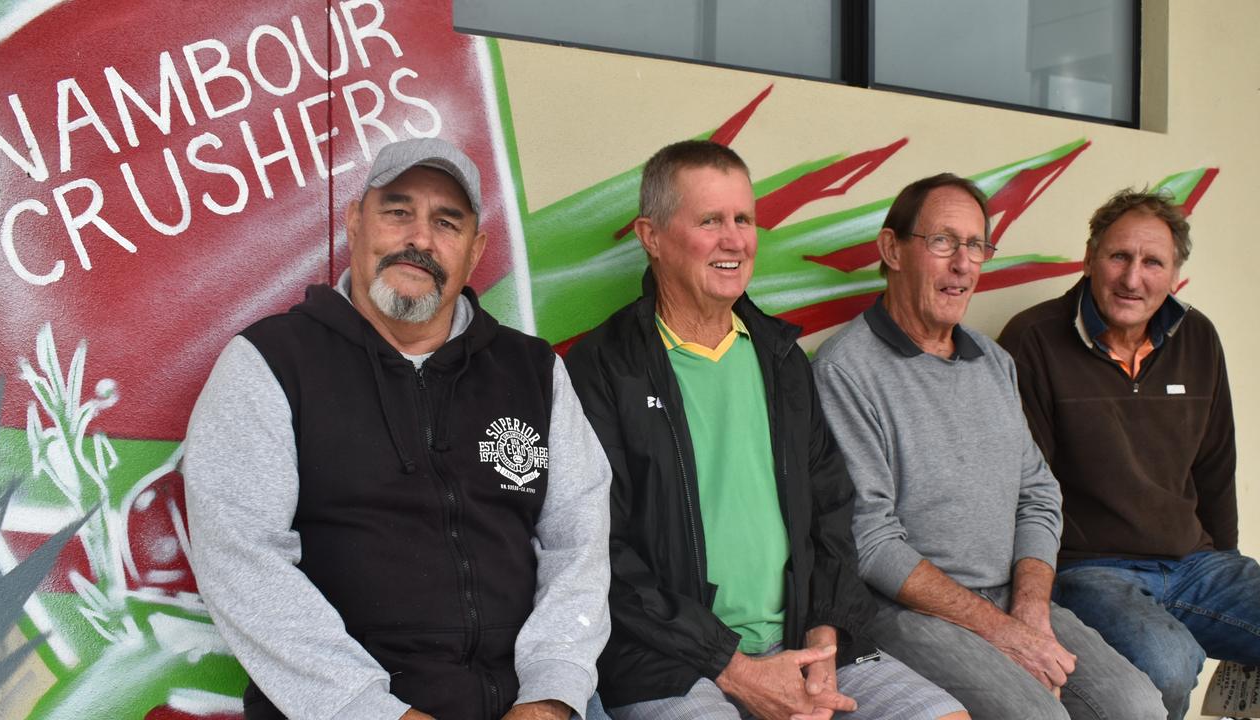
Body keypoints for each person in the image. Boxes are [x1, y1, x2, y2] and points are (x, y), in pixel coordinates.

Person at [183, 137, 612, 720]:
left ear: (475, 250)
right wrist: (372, 711)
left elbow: (578, 542)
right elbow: (242, 563)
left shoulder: (533, 372)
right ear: (355, 222)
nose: (420, 239)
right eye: (398, 211)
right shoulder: (270, 364)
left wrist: (551, 695)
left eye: (447, 222)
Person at [566, 140, 969, 720]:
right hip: (672, 660)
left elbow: (833, 510)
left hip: (809, 638)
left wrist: (825, 642)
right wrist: (736, 668)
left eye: (743, 219)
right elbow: (601, 551)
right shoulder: (605, 367)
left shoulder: (780, 357)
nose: (734, 240)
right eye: (710, 220)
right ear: (651, 237)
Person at [812, 173, 1165, 719]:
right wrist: (1003, 632)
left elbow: (1038, 494)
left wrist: (1029, 612)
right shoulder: (845, 370)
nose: (963, 264)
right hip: (904, 612)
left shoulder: (992, 361)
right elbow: (871, 542)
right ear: (892, 250)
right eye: (943, 242)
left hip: (1011, 599)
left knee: (1138, 706)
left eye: (976, 245)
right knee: (1037, 716)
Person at [998, 189, 1260, 720]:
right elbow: (1024, 488)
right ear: (1091, 257)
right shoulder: (1034, 339)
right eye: (1119, 256)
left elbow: (1215, 465)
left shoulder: (1198, 337)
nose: (1132, 278)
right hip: (1088, 569)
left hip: (1193, 563)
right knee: (1168, 664)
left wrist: (1227, 564)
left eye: (1152, 262)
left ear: (1175, 275)